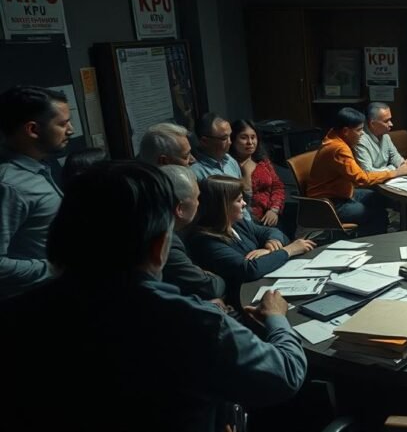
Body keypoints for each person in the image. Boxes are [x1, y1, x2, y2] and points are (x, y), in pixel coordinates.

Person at [0, 161, 307, 431]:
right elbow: (286, 374)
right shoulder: (192, 323)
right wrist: (277, 318)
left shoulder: (17, 317)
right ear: (160, 245)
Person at [187, 175, 315, 306]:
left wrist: (268, 249)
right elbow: (248, 270)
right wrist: (289, 250)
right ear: (222, 206)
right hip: (243, 299)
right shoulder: (205, 241)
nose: (244, 204)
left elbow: (271, 232)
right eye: (239, 200)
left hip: (266, 283)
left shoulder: (237, 223)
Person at [0, 85, 72, 299]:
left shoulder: (39, 168)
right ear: (33, 130)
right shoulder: (9, 186)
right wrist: (55, 269)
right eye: (62, 123)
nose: (71, 130)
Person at [307, 108, 407, 235]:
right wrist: (396, 172)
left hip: (344, 193)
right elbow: (362, 178)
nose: (362, 134)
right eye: (359, 130)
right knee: (375, 214)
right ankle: (373, 241)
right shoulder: (338, 148)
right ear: (346, 131)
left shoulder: (335, 135)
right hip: (329, 203)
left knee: (378, 199)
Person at [158, 164, 226, 302]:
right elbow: (211, 287)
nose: (198, 204)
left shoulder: (171, 231)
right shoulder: (166, 242)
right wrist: (213, 277)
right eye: (197, 198)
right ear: (180, 209)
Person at [192, 112, 250, 221]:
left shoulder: (231, 161)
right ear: (204, 141)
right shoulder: (195, 173)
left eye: (230, 136)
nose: (230, 142)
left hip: (245, 223)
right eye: (224, 138)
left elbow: (241, 199)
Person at [230, 119, 286, 227]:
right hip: (242, 222)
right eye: (244, 138)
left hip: (268, 218)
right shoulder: (229, 165)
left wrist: (274, 210)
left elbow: (277, 186)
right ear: (233, 139)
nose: (250, 142)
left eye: (253, 137)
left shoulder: (262, 161)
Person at [353, 102, 406, 172]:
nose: (391, 124)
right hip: (373, 181)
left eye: (390, 119)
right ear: (373, 124)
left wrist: (403, 164)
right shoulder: (360, 140)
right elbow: (368, 172)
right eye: (386, 121)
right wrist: (394, 169)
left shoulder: (385, 136)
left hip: (388, 179)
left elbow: (395, 156)